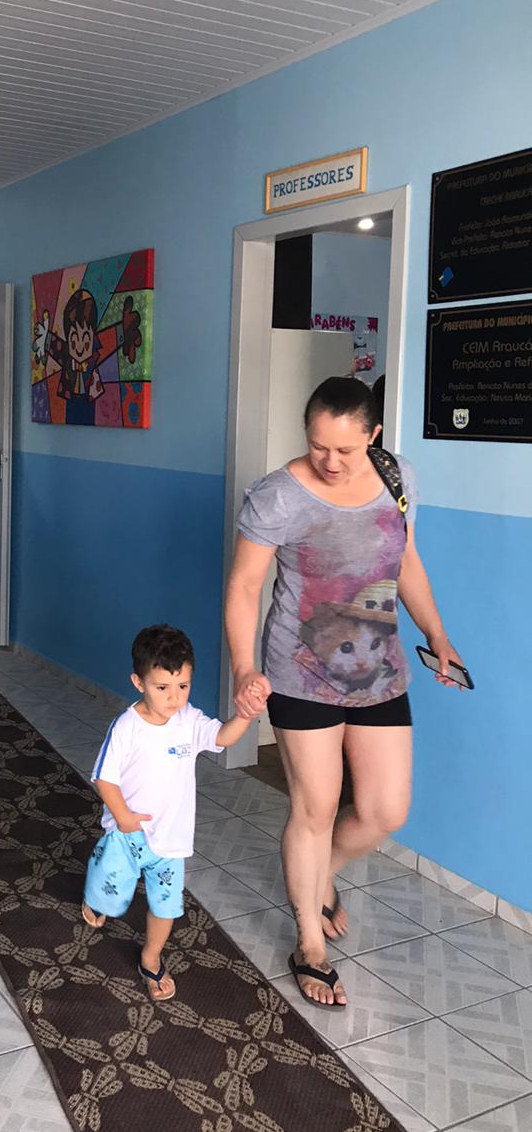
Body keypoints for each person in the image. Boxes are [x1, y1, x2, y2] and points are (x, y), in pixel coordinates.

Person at [224, 376, 464, 1009]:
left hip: (380, 668)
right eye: (318, 446)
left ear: (373, 436)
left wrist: (438, 635)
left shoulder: (397, 478)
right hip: (300, 672)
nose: (330, 461)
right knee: (316, 807)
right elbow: (245, 586)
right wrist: (245, 668)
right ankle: (308, 943)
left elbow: (406, 561)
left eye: (345, 449)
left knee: (386, 810)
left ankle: (319, 874)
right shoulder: (278, 497)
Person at [82, 624, 262, 1002]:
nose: (174, 697)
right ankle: (96, 898)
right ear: (139, 682)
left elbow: (223, 737)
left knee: (166, 905)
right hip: (128, 834)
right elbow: (104, 778)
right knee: (110, 896)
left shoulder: (188, 720)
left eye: (183, 686)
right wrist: (123, 817)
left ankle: (151, 957)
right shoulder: (127, 727)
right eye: (162, 687)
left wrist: (246, 715)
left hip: (171, 841)